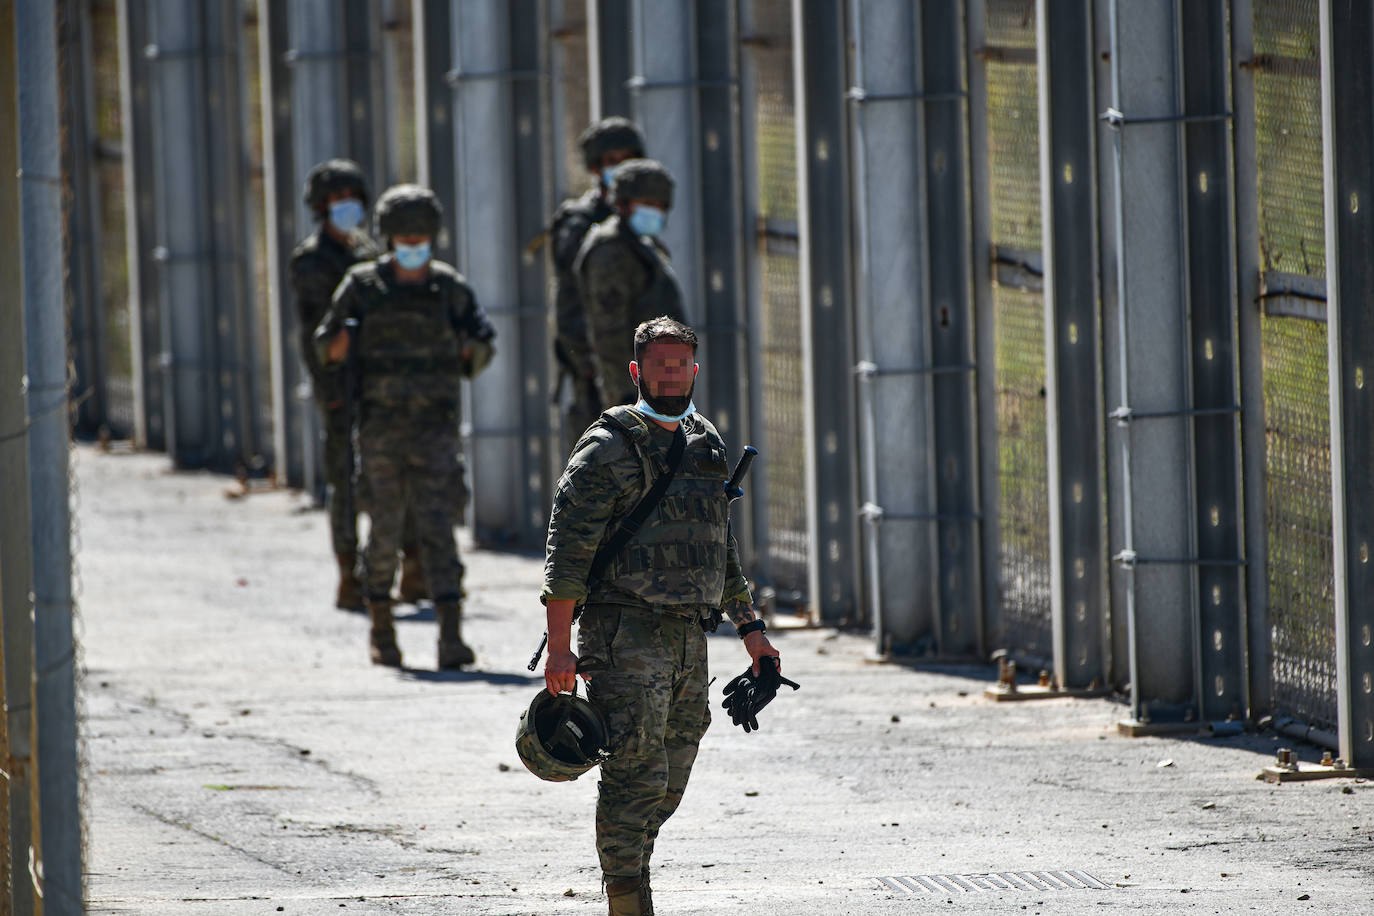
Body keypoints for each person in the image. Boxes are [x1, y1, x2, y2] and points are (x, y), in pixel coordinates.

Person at [541, 317, 781, 915]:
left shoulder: (705, 441)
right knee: (634, 774)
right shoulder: (607, 447)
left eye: (681, 363)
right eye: (659, 363)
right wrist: (560, 646)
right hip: (625, 634)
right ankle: (628, 901)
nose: (671, 372)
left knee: (670, 777)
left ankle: (632, 877)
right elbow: (567, 553)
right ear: (636, 371)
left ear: (695, 369)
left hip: (688, 636)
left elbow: (719, 546)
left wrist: (752, 631)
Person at [315, 184, 495, 669]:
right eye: (403, 236)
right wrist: (344, 343)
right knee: (385, 531)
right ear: (388, 238)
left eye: (421, 235)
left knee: (439, 529)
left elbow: (482, 345)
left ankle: (451, 635)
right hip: (381, 430)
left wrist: (464, 348)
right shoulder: (362, 286)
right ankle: (381, 628)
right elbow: (325, 345)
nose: (413, 244)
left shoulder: (447, 287)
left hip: (434, 429)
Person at [289, 159, 427, 610]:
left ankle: (411, 564)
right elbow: (318, 334)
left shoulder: (370, 252)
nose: (345, 206)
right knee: (345, 478)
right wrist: (331, 388)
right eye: (335, 199)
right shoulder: (312, 262)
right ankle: (349, 573)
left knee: (400, 471)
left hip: (385, 385)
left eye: (351, 197)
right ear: (320, 207)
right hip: (341, 386)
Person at [548, 117, 647, 455]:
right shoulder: (580, 223)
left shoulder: (638, 220)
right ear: (596, 167)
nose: (620, 168)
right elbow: (570, 306)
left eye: (627, 159)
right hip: (598, 379)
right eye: (611, 162)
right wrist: (592, 366)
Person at [574, 159, 687, 410]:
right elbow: (608, 334)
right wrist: (629, 400)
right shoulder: (610, 251)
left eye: (660, 206)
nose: (655, 211)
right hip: (633, 396)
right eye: (647, 204)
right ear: (623, 205)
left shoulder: (642, 245)